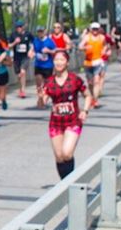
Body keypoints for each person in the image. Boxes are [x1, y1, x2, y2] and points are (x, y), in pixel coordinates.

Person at [38, 50, 89, 179]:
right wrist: (40, 97)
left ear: (67, 62)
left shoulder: (74, 79)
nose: (59, 63)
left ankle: (69, 182)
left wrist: (85, 110)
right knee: (59, 156)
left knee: (67, 153)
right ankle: (64, 183)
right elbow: (42, 104)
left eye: (62, 60)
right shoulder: (49, 82)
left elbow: (88, 95)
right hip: (56, 123)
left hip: (72, 121)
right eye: (56, 60)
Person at [78, 23, 108, 108]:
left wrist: (104, 50)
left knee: (96, 81)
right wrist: (85, 48)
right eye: (93, 29)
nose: (95, 31)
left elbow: (105, 45)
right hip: (88, 62)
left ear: (99, 29)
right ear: (91, 29)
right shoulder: (87, 37)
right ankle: (92, 97)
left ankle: (96, 100)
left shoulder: (102, 37)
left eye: (96, 29)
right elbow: (80, 46)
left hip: (98, 61)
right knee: (90, 83)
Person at [8, 22, 34, 100]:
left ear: (23, 27)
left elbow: (33, 42)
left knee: (23, 72)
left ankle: (23, 90)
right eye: (17, 27)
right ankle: (20, 88)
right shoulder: (13, 35)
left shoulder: (28, 34)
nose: (18, 28)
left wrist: (31, 50)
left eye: (20, 27)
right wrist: (15, 42)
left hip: (25, 56)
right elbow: (8, 46)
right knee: (19, 74)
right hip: (17, 57)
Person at [32, 27, 57, 93]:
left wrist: (48, 50)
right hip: (38, 65)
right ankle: (40, 98)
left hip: (48, 66)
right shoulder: (35, 40)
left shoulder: (49, 41)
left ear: (44, 32)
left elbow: (55, 51)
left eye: (41, 31)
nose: (40, 33)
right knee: (38, 83)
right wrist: (32, 53)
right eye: (38, 32)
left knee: (47, 84)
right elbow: (33, 50)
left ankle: (46, 95)